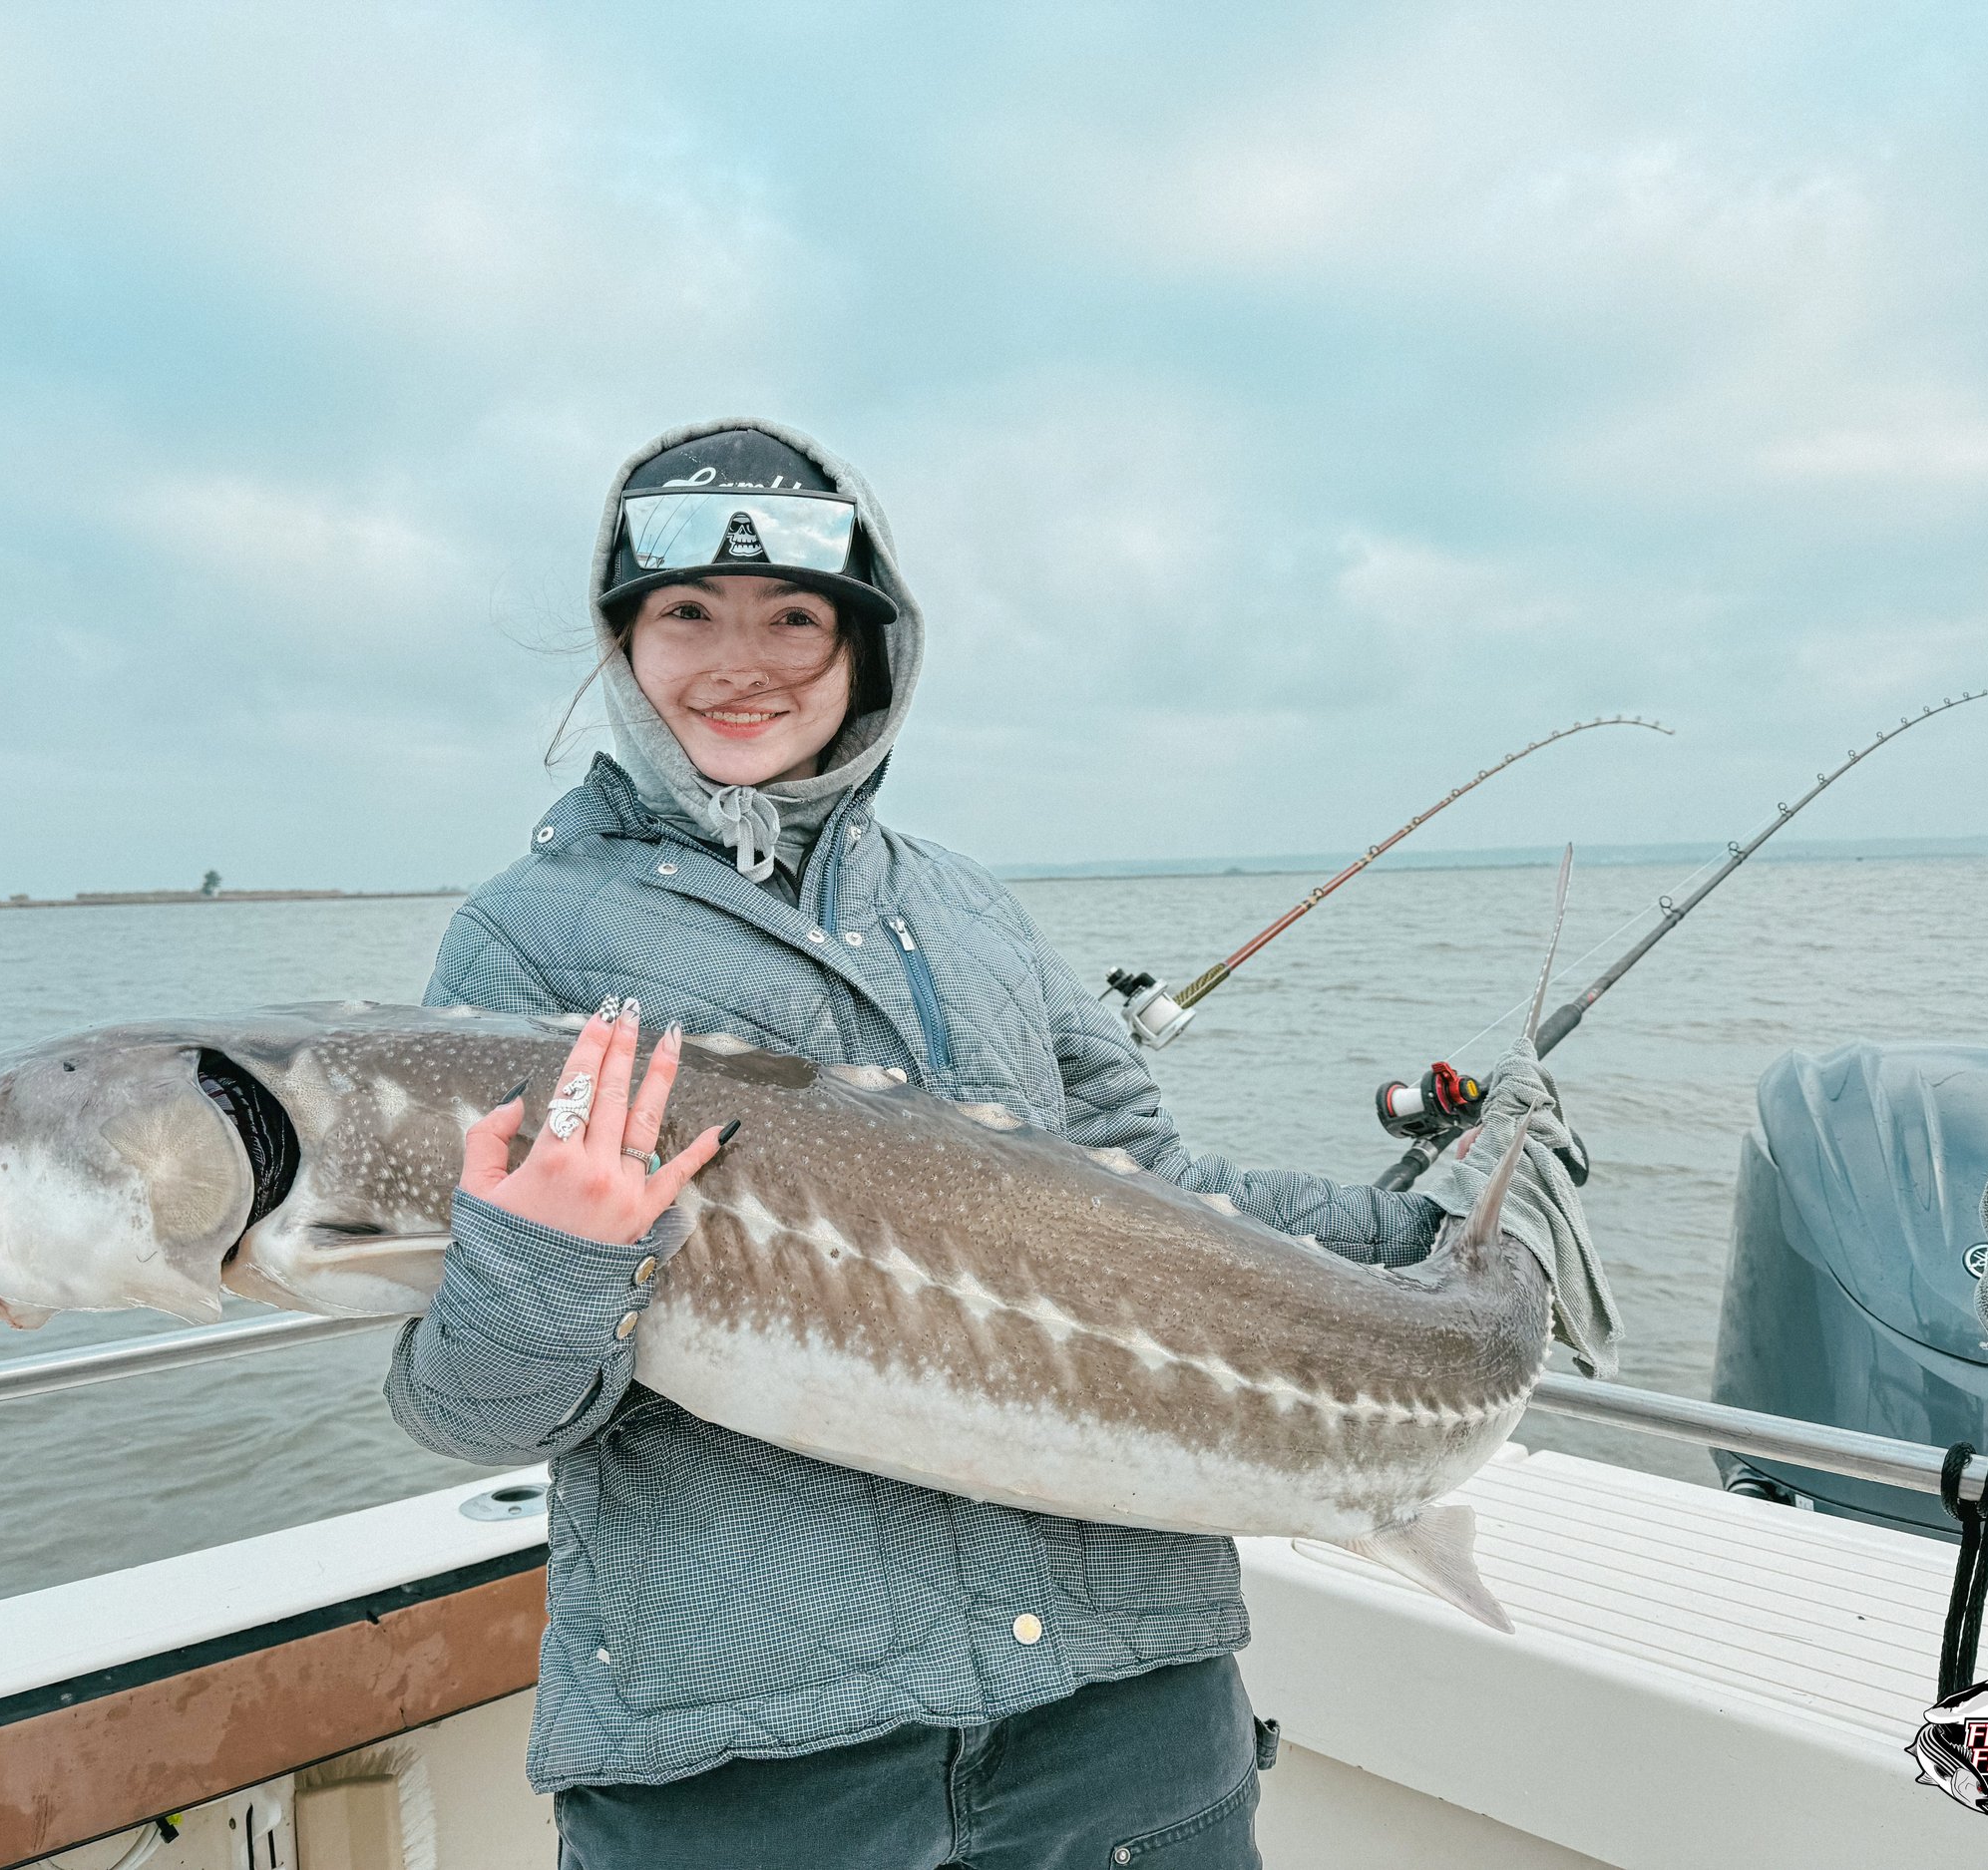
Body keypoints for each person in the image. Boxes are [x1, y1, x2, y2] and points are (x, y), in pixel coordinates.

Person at [386, 419, 1561, 1869]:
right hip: (762, 1758)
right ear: (623, 645)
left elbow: (1162, 1197)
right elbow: (479, 1408)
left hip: (1125, 1716)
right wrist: (543, 1257)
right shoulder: (528, 941)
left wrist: (1446, 1225)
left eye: (794, 619)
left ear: (871, 649)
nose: (738, 660)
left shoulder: (970, 911)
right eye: (686, 615)